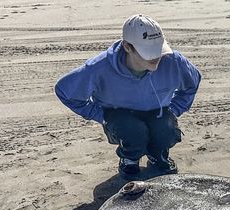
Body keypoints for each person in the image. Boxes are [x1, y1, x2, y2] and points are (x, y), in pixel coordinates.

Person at [55, 14, 201, 177]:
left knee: (165, 129)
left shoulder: (173, 61)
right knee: (133, 131)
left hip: (158, 112)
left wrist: (175, 109)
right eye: (148, 52)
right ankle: (129, 159)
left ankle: (157, 156)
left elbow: (193, 82)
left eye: (158, 49)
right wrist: (100, 115)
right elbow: (65, 91)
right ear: (127, 47)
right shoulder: (99, 68)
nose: (156, 57)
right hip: (119, 115)